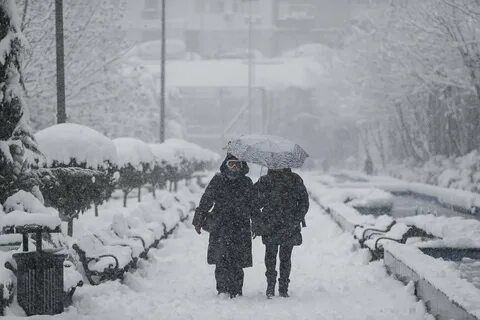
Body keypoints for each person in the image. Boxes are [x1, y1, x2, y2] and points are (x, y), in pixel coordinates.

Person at [192, 154, 256, 298]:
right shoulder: (218, 180)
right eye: (231, 164)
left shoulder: (246, 182)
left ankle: (236, 289)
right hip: (220, 225)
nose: (234, 167)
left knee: (237, 261)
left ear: (242, 166)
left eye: (237, 164)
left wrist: (257, 223)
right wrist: (199, 219)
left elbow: (253, 205)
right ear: (225, 165)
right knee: (221, 259)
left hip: (241, 226)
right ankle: (222, 289)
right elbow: (206, 199)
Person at [253, 168, 309, 298]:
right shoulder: (265, 180)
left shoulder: (295, 179)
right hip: (270, 225)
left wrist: (296, 219)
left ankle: (283, 287)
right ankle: (271, 286)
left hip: (288, 224)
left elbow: (304, 202)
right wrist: (259, 217)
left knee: (285, 257)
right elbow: (253, 201)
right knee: (271, 256)